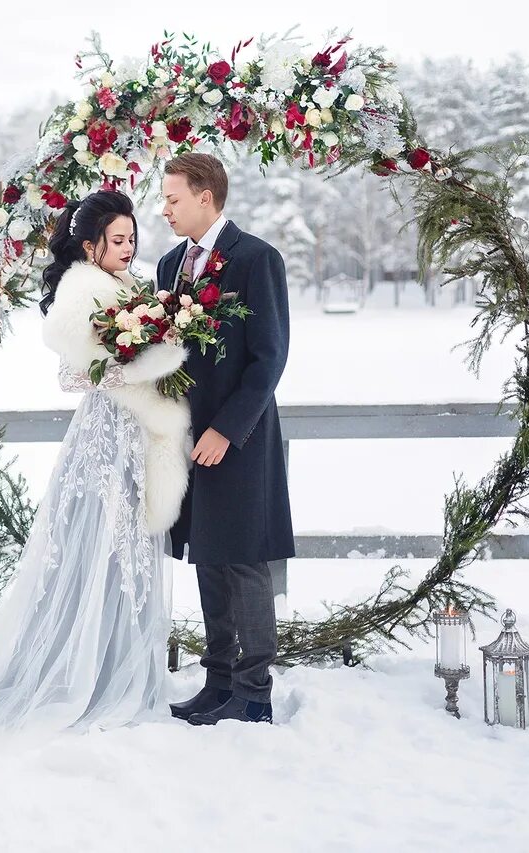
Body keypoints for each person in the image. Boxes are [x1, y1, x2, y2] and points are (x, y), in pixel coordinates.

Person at [0, 190, 191, 737]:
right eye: (117, 240)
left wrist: (158, 347)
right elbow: (72, 374)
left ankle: (120, 667)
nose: (128, 249)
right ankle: (78, 672)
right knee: (96, 547)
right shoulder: (82, 289)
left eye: (132, 239)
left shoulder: (132, 287)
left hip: (139, 436)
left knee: (130, 553)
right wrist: (135, 364)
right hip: (106, 437)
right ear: (89, 245)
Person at [158, 153, 295, 726]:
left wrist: (225, 429)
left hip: (238, 439)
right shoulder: (169, 267)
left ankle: (254, 692)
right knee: (206, 558)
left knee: (243, 561)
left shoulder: (256, 258)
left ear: (206, 197)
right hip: (184, 439)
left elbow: (269, 358)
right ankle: (217, 682)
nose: (164, 209)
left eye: (173, 199)